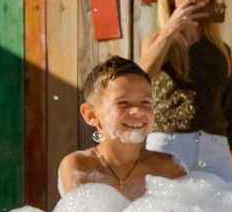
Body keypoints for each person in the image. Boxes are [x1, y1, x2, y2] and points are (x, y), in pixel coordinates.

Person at [138, 0, 232, 185]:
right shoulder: (157, 41)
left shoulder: (219, 48)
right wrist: (171, 29)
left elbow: (229, 105)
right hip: (170, 142)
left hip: (216, 146)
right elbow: (141, 76)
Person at [58, 58, 188, 201]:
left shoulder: (170, 168)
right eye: (123, 103)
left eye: (145, 102)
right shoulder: (79, 166)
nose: (137, 110)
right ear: (91, 115)